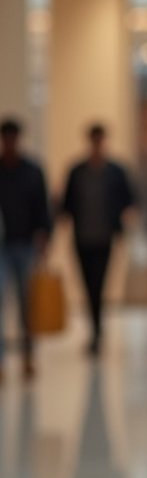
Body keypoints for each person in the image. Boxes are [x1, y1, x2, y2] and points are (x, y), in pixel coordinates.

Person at [61, 124, 135, 355]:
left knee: (99, 283)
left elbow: (129, 198)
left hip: (105, 237)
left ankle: (97, 329)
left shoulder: (115, 171)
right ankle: (95, 329)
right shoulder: (77, 171)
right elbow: (66, 204)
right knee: (87, 284)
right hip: (82, 237)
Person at [0, 118, 52, 381]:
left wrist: (44, 239)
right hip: (2, 247)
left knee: (26, 304)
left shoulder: (32, 171)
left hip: (26, 244)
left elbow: (43, 209)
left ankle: (28, 355)